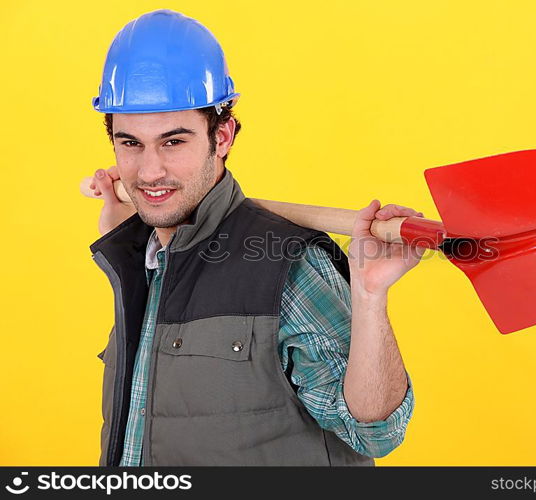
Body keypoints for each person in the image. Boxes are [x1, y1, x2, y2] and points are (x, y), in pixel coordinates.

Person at [89, 9, 425, 466]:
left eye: (173, 142)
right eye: (131, 143)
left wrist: (368, 296)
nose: (149, 171)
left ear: (222, 135)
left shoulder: (286, 262)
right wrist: (126, 235)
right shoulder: (143, 258)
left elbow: (376, 433)